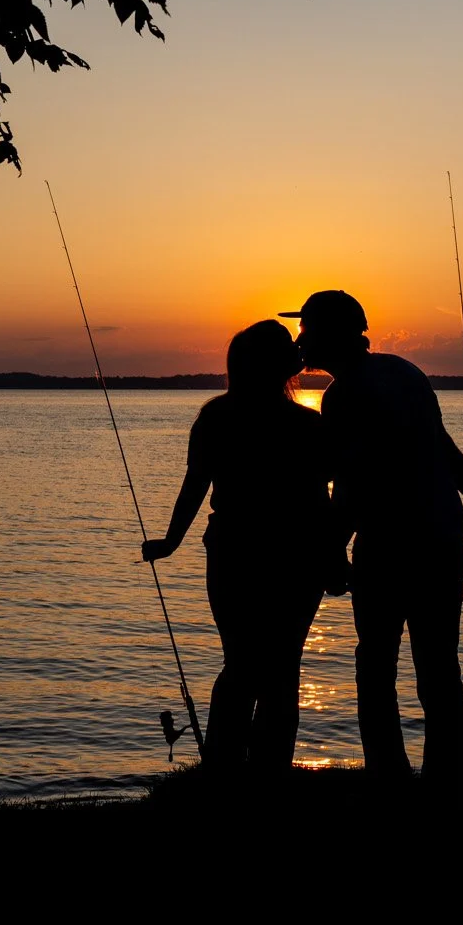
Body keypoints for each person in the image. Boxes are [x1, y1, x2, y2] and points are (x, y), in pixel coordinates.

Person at [283, 289, 463, 800]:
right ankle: (447, 788)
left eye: (307, 329)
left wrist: (331, 547)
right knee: (440, 668)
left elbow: (353, 480)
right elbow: (440, 443)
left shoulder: (345, 395)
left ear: (331, 334)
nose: (299, 338)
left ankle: (390, 782)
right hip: (443, 540)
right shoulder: (405, 372)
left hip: (388, 547)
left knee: (375, 668)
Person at [142, 320, 338, 774]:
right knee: (281, 668)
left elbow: (196, 483)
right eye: (289, 347)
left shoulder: (216, 417)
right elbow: (321, 496)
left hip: (234, 552)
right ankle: (268, 771)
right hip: (294, 555)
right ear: (274, 363)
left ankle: (225, 769)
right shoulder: (307, 424)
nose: (299, 350)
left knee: (241, 664)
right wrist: (334, 557)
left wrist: (172, 541)